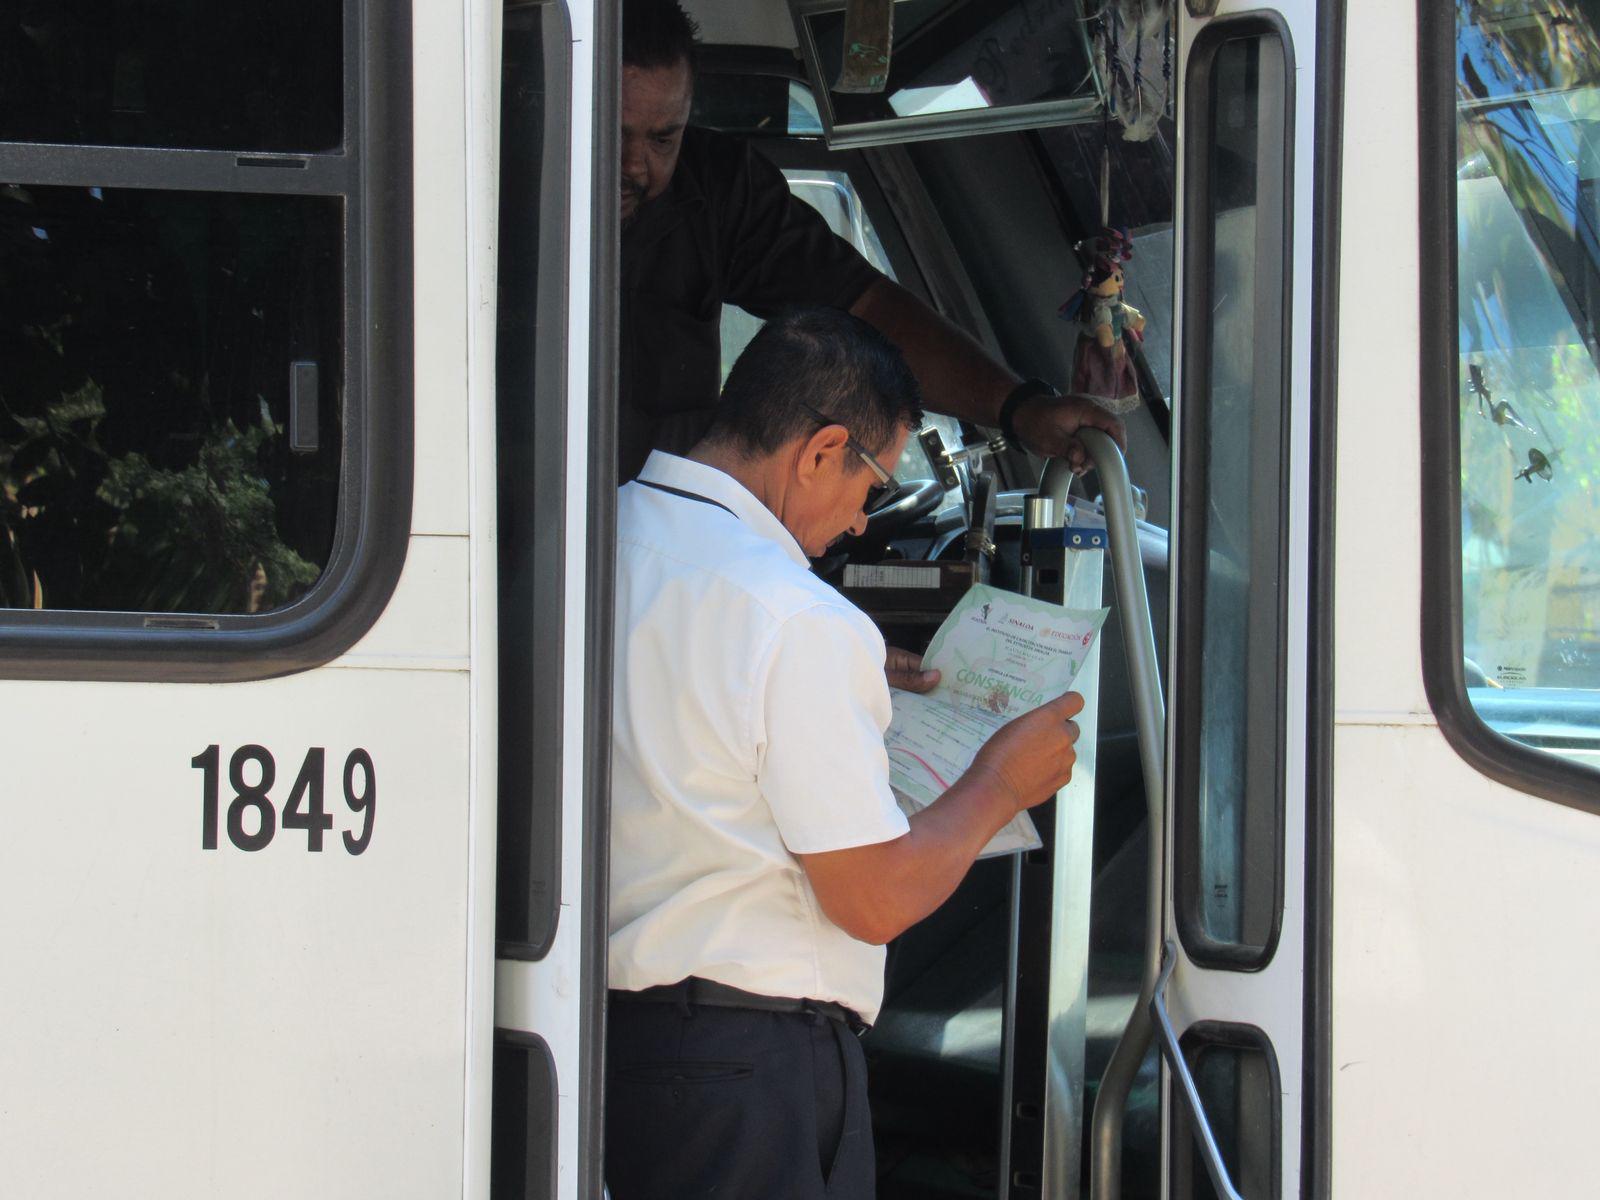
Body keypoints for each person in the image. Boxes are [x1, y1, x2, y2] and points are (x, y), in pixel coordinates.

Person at [606, 307, 1086, 1199]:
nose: (864, 522)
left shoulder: (599, 543)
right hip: (751, 1069)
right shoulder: (798, 619)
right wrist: (998, 782)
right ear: (822, 449)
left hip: (615, 1047)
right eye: (872, 484)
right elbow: (873, 898)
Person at [618, 0, 1127, 482]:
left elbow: (861, 310)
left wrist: (1019, 409)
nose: (634, 167)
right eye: (612, 133)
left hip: (666, 540)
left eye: (663, 139)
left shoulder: (714, 188)